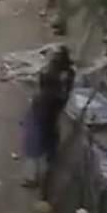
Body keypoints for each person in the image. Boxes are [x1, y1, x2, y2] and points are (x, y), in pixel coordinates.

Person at [22, 46, 74, 189]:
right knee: (50, 136)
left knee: (34, 142)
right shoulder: (68, 74)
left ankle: (33, 177)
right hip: (53, 109)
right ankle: (50, 167)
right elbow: (64, 93)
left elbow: (42, 84)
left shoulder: (50, 73)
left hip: (41, 108)